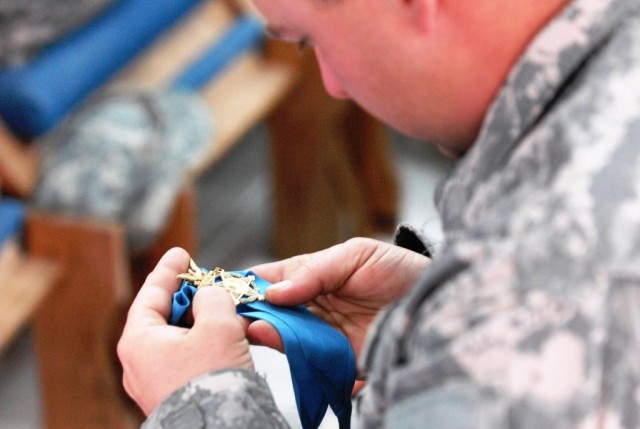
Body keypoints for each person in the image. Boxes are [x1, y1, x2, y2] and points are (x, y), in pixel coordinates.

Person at [117, 0, 640, 427]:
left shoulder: (532, 303)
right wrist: (437, 299)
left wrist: (200, 405)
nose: (333, 84)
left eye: (309, 39)